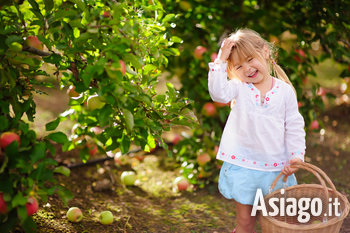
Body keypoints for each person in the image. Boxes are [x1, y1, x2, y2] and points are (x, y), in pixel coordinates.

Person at [208, 28, 306, 233]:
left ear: (266, 52)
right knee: (245, 223)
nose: (247, 69)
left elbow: (294, 126)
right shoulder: (239, 88)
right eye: (239, 66)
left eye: (251, 59)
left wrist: (296, 156)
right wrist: (221, 60)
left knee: (274, 224)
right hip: (245, 166)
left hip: (276, 169)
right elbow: (218, 94)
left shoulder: (285, 91)